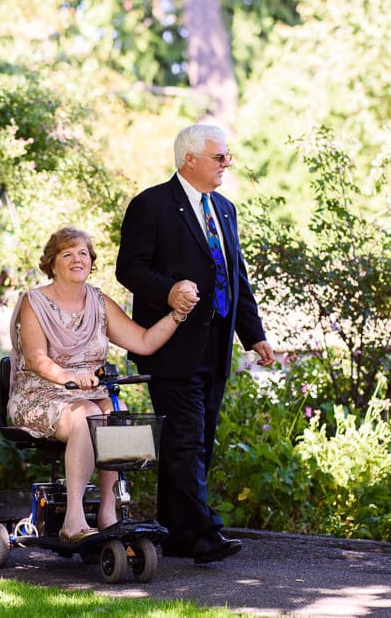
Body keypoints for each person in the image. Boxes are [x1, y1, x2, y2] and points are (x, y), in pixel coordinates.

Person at [115, 123, 275, 564]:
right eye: (219, 157)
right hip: (168, 344)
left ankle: (176, 533)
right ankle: (205, 535)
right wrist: (168, 291)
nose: (228, 163)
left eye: (227, 156)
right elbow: (128, 269)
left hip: (216, 345)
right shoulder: (151, 205)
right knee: (186, 440)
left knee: (197, 438)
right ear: (190, 160)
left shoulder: (224, 208)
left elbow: (235, 276)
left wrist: (254, 334)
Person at [7, 226, 190, 544]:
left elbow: (144, 341)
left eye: (83, 253)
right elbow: (37, 359)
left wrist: (177, 315)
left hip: (89, 393)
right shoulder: (34, 303)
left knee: (117, 412)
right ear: (53, 263)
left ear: (91, 260)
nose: (77, 259)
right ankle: (73, 518)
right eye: (67, 254)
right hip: (39, 394)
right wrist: (70, 377)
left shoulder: (99, 302)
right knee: (86, 414)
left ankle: (109, 513)